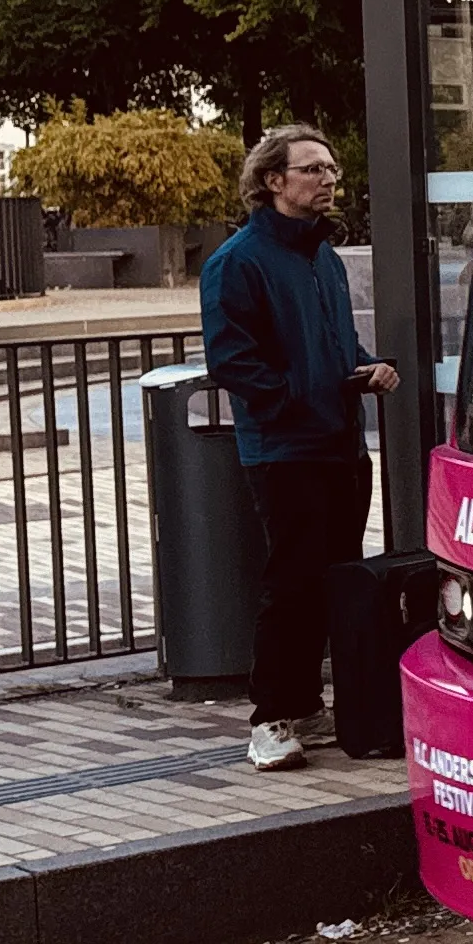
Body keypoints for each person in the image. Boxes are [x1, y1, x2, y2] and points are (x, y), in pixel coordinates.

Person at [199, 125, 397, 770]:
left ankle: (310, 706)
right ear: (273, 181)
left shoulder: (323, 258)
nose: (329, 178)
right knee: (290, 584)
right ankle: (271, 718)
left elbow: (335, 348)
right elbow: (234, 362)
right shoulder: (237, 262)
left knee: (335, 578)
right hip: (285, 451)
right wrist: (299, 399)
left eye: (332, 167)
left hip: (340, 445)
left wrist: (367, 369)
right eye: (313, 168)